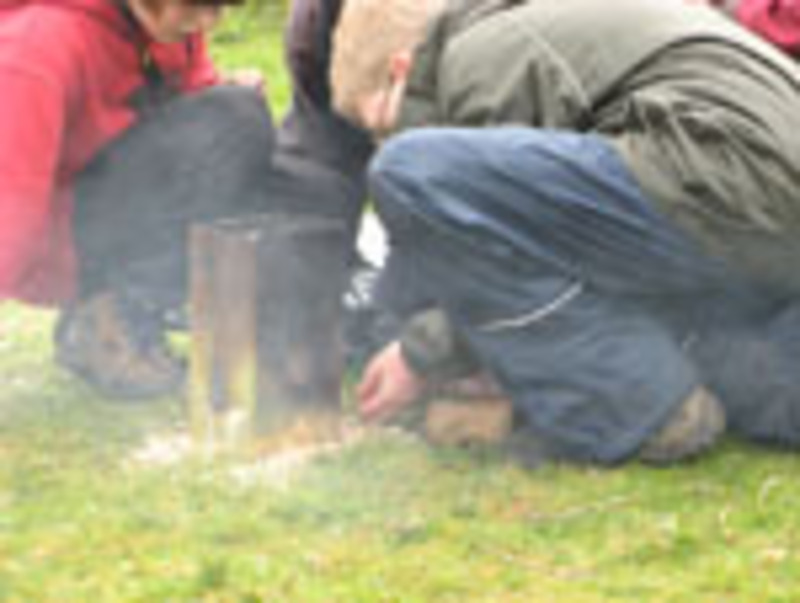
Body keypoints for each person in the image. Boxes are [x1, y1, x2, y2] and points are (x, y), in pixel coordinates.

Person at [330, 0, 800, 465]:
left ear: (401, 69)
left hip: (724, 176)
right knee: (747, 368)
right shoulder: (543, 24)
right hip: (754, 200)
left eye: (383, 125)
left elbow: (507, 257)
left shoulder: (478, 64)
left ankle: (643, 414)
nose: (384, 142)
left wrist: (420, 353)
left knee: (410, 172)